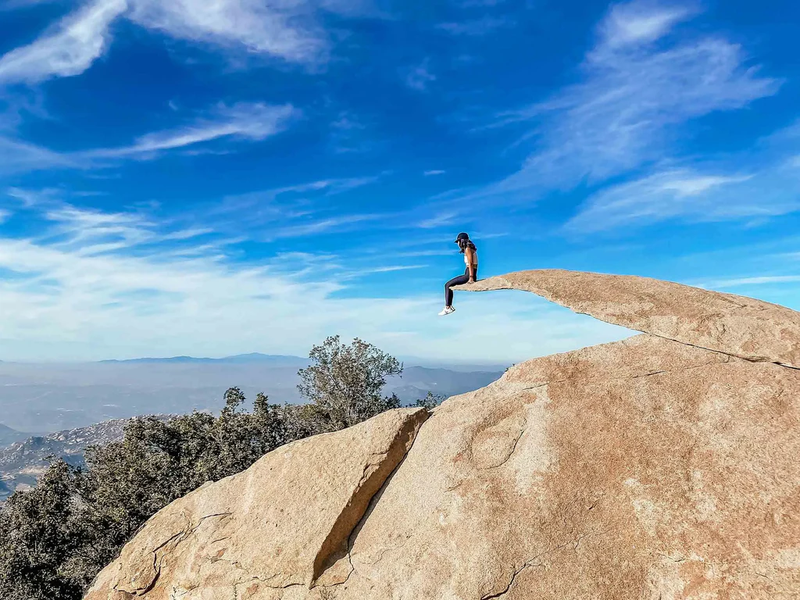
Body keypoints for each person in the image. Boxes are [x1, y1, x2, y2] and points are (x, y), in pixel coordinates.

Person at [439, 232, 478, 316]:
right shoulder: (469, 249)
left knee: (447, 285)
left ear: (462, 241)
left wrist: (471, 278)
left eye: (458, 242)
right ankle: (448, 306)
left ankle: (448, 307)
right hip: (468, 272)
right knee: (449, 285)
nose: (458, 244)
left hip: (469, 274)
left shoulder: (468, 249)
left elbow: (471, 264)